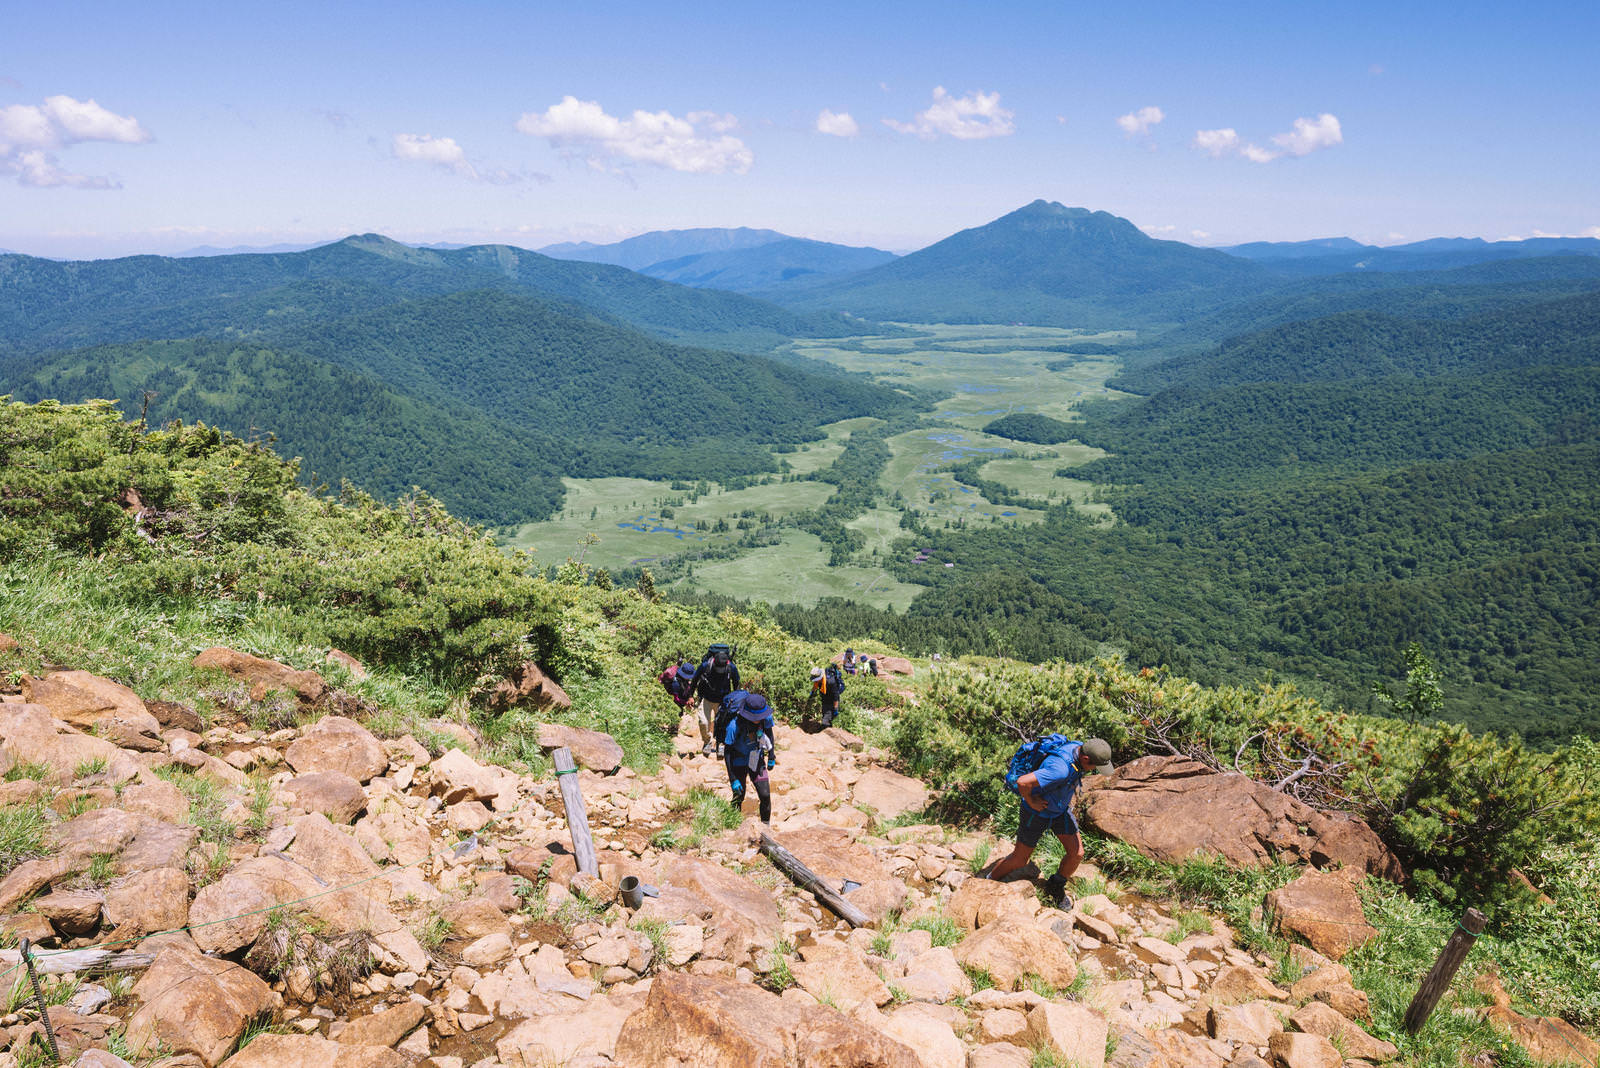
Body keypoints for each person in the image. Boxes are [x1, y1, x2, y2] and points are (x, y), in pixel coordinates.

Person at [987, 737, 1113, 909]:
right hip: (1036, 813)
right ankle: (988, 881)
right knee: (1020, 859)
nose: (1094, 771)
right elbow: (1022, 782)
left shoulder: (1079, 748)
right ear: (1085, 759)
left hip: (1059, 811)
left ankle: (1055, 886)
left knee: (1077, 854)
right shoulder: (1059, 769)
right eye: (1094, 767)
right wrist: (1032, 802)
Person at [721, 690, 776, 823]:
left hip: (756, 758)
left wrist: (772, 755)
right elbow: (727, 752)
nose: (758, 720)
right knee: (739, 795)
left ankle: (765, 828)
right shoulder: (734, 726)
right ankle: (733, 826)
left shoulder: (766, 718)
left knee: (765, 795)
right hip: (738, 761)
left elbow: (769, 734)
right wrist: (733, 779)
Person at [691, 643, 739, 757]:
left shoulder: (731, 667)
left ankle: (720, 744)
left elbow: (736, 682)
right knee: (703, 722)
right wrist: (690, 696)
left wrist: (735, 698)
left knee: (722, 724)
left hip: (723, 700)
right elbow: (694, 680)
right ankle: (707, 742)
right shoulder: (705, 666)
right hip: (707, 697)